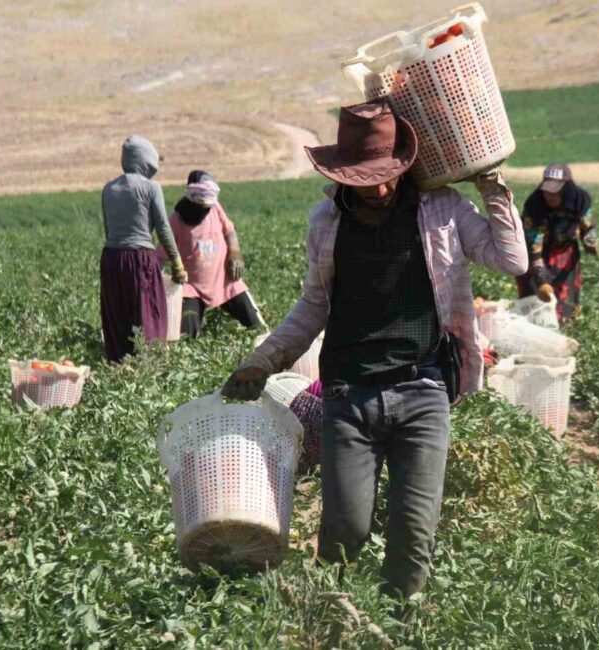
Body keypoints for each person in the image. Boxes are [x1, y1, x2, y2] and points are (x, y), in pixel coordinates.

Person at [220, 100, 527, 599]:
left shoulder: (442, 210)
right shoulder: (327, 222)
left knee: (413, 533)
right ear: (342, 174)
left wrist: (492, 187)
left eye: (388, 175)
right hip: (349, 395)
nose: (380, 188)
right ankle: (333, 617)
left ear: (404, 165)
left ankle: (399, 626)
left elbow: (511, 260)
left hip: (423, 389)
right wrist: (264, 359)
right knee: (347, 532)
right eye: (366, 178)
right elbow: (314, 306)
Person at [100, 135, 187, 363]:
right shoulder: (151, 187)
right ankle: (147, 366)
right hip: (140, 258)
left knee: (119, 314)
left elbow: (109, 230)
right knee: (148, 314)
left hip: (111, 259)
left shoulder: (108, 189)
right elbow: (163, 230)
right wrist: (177, 264)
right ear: (146, 161)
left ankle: (119, 366)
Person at [159, 170, 266, 337]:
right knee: (186, 337)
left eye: (208, 207)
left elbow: (229, 230)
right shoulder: (176, 221)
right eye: (202, 207)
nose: (205, 210)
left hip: (224, 281)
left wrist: (235, 253)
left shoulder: (215, 209)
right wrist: (167, 278)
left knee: (258, 329)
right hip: (192, 288)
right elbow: (160, 257)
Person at [515, 163, 597, 324]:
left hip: (564, 254)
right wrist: (541, 281)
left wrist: (590, 242)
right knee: (534, 301)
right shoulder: (535, 206)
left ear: (567, 189)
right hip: (537, 253)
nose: (550, 196)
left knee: (565, 302)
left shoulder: (579, 201)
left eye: (555, 192)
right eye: (547, 191)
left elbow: (586, 225)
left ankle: (564, 328)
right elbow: (533, 245)